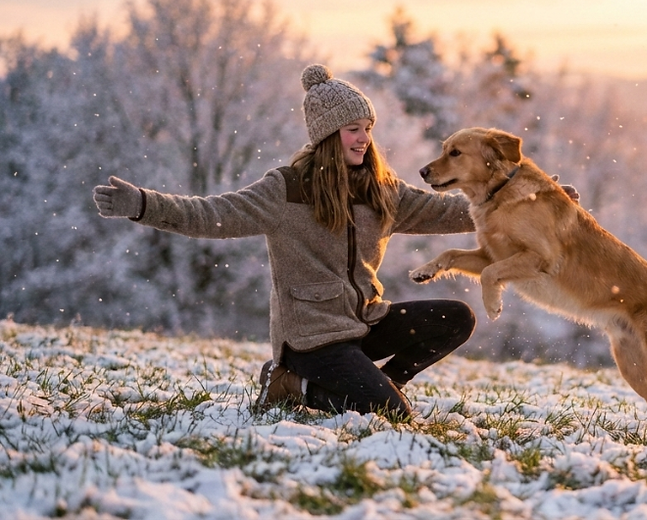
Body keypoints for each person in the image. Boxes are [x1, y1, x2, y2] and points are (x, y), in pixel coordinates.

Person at [93, 64, 481, 420]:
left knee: (457, 317)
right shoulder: (286, 190)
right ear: (329, 134)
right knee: (391, 415)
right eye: (353, 129)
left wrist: (525, 197)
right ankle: (289, 383)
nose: (364, 139)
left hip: (364, 322)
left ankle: (388, 385)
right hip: (311, 339)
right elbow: (210, 214)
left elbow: (454, 211)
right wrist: (143, 205)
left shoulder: (381, 191)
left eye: (368, 128)